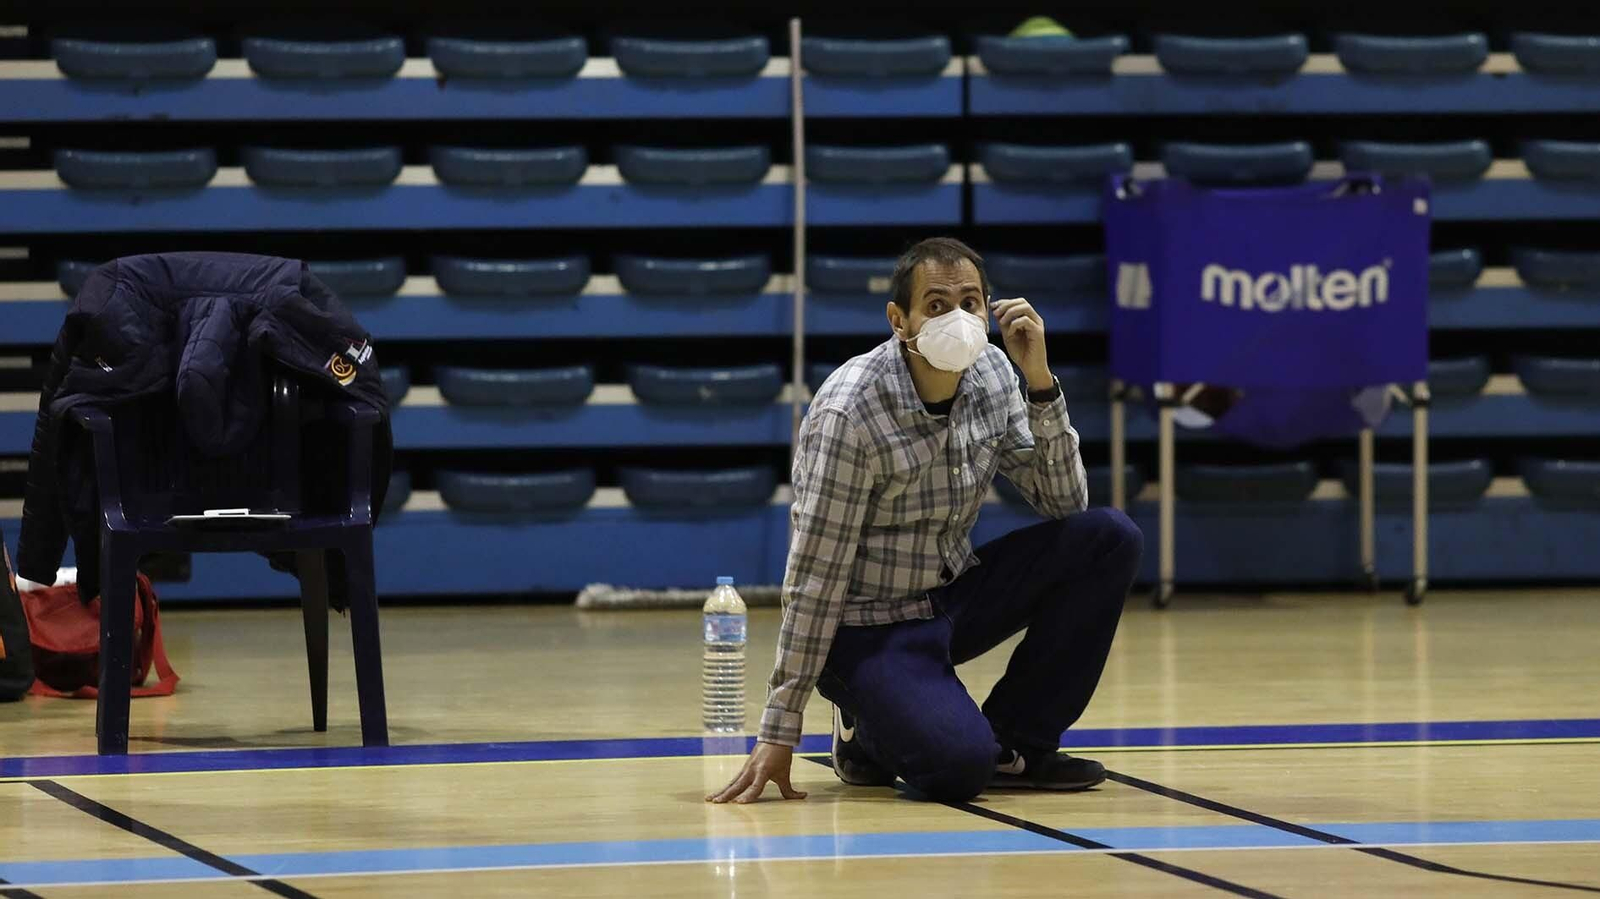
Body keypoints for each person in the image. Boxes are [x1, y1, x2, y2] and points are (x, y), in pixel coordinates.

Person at [708, 237, 1143, 805]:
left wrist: (1040, 383)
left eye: (970, 302)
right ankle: (862, 722)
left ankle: (1017, 743)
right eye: (937, 305)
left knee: (1108, 538)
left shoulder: (992, 371)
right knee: (958, 770)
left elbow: (1065, 505)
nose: (957, 318)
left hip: (949, 597)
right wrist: (779, 727)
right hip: (866, 627)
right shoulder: (850, 411)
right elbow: (814, 576)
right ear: (899, 319)